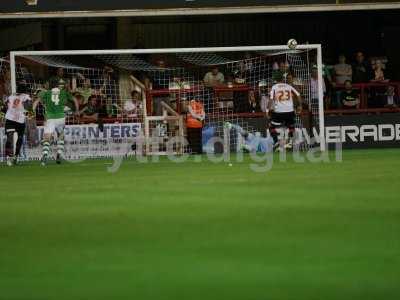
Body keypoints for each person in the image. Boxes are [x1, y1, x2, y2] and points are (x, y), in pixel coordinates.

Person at [33, 79, 79, 166]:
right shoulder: (63, 92)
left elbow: (36, 102)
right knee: (61, 135)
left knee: (47, 138)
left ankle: (45, 155)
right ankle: (59, 154)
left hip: (50, 118)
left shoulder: (45, 93)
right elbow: (75, 100)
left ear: (49, 85)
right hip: (61, 117)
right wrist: (77, 111)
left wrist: (32, 111)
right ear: (58, 85)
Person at [268, 74, 302, 150]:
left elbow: (271, 100)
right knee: (291, 126)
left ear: (276, 80)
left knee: (271, 126)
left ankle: (276, 141)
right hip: (290, 111)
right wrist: (300, 106)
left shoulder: (274, 87)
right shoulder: (289, 86)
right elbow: (298, 95)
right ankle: (290, 142)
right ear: (283, 80)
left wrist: (267, 110)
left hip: (279, 112)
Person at [3, 82, 32, 166]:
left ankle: (11, 157)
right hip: (18, 120)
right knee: (17, 138)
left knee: (11, 138)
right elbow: (29, 108)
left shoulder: (11, 96)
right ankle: (13, 157)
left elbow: (4, 106)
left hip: (11, 119)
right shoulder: (26, 97)